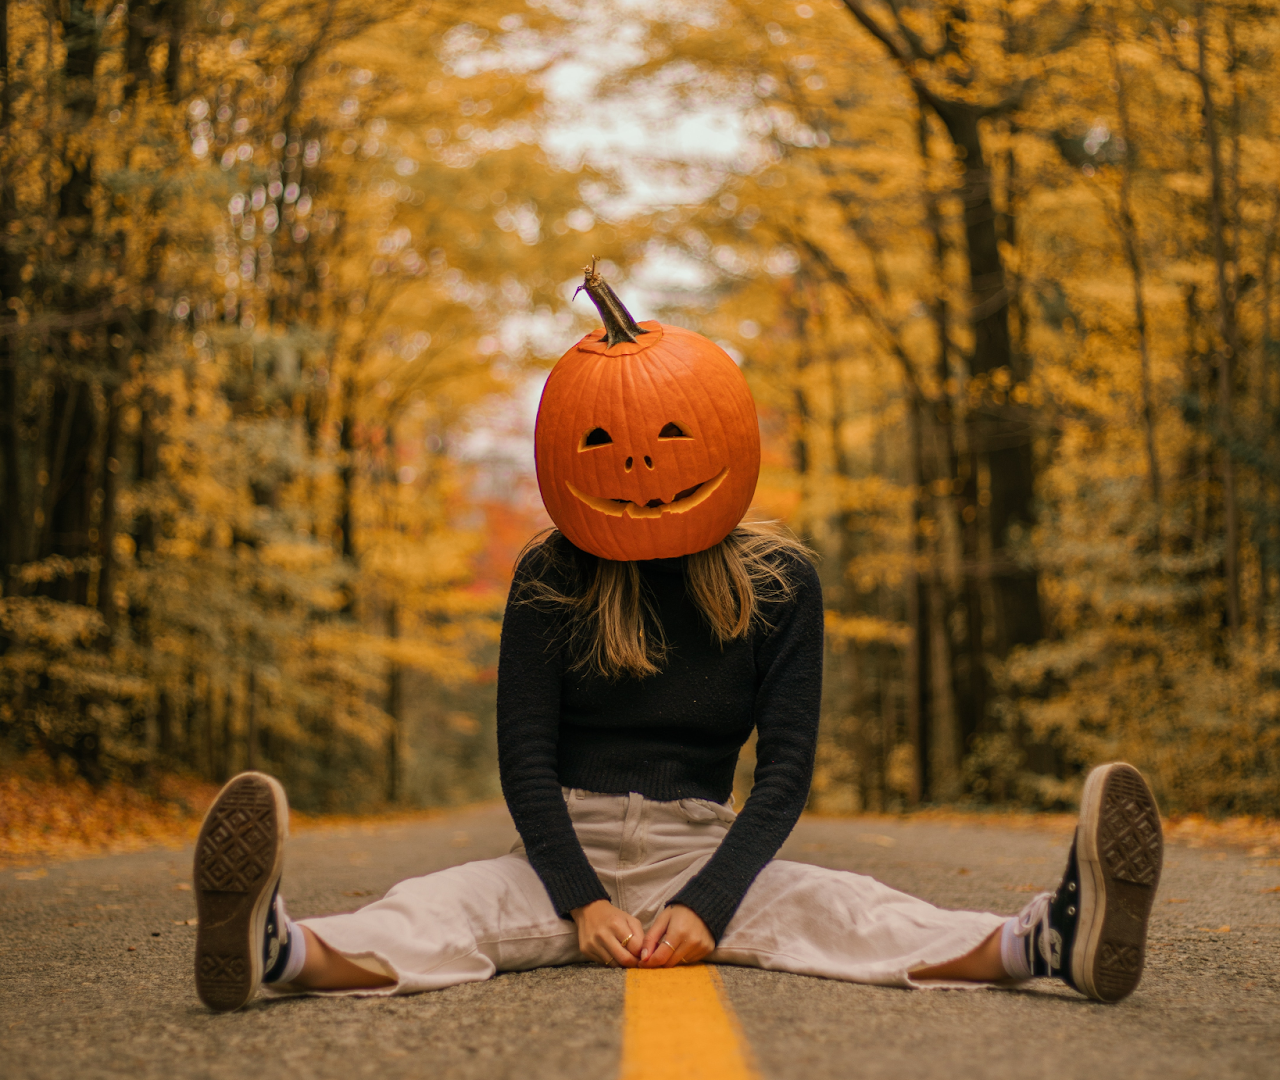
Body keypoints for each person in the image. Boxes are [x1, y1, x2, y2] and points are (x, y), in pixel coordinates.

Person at [191, 269, 1163, 1013]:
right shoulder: (551, 575)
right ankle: (273, 948)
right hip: (555, 850)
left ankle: (1048, 938)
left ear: (718, 435)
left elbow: (782, 773)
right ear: (565, 454)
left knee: (849, 910)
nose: (641, 463)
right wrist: (580, 901)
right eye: (605, 446)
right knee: (434, 911)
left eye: (665, 435)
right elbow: (522, 756)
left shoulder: (781, 586)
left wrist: (706, 902)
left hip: (703, 848)